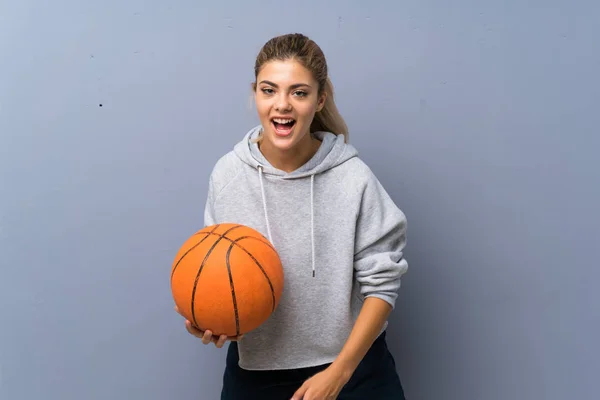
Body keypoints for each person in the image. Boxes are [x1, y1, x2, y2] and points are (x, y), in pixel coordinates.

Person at [175, 33, 408, 399]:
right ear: (255, 94)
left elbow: (382, 285)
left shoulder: (353, 177)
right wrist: (217, 317)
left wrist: (339, 373)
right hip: (257, 373)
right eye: (269, 90)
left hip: (354, 370)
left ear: (319, 100)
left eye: (298, 92)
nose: (282, 105)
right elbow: (222, 271)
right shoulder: (228, 175)